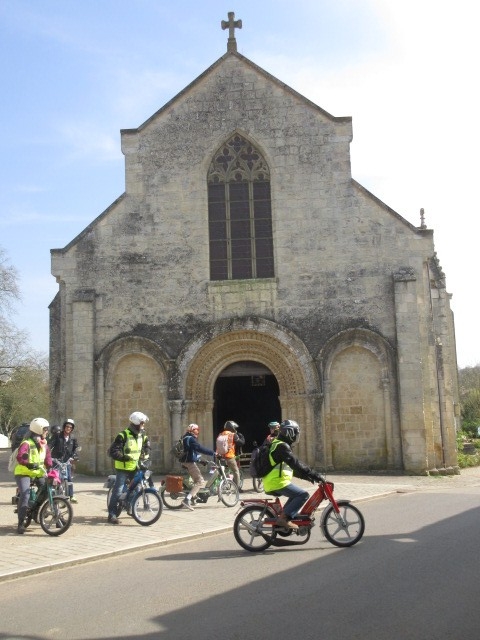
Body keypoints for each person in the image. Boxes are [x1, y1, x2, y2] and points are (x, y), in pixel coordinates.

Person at [262, 419, 322, 530]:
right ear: (289, 433)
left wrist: (307, 477)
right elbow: (296, 464)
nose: (296, 436)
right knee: (302, 495)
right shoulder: (281, 446)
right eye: (295, 433)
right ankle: (283, 519)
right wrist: (314, 474)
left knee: (296, 495)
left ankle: (285, 516)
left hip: (275, 481)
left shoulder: (278, 444)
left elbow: (291, 468)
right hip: (277, 482)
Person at [107, 411, 151, 524]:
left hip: (135, 467)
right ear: (136, 423)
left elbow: (147, 445)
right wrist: (124, 457)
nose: (143, 425)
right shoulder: (123, 435)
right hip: (123, 467)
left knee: (136, 489)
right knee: (118, 490)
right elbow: (113, 451)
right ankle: (111, 514)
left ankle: (130, 508)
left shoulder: (142, 435)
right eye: (142, 423)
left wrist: (146, 452)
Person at [13, 417, 52, 535]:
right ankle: (20, 523)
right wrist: (28, 463)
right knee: (25, 494)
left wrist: (51, 468)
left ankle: (36, 511)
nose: (47, 431)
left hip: (38, 472)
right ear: (38, 430)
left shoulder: (44, 444)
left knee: (47, 488)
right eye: (45, 429)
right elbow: (20, 456)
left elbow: (48, 458)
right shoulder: (27, 443)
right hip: (24, 472)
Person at [180, 423, 216, 510]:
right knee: (200, 481)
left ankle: (193, 498)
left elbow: (193, 453)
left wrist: (201, 460)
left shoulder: (186, 438)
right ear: (192, 430)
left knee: (195, 481)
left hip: (187, 461)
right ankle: (187, 500)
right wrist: (213, 453)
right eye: (196, 429)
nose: (198, 431)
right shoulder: (190, 439)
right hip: (189, 463)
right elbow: (199, 448)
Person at [49, 418, 80, 503]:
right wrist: (47, 453)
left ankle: (71, 495)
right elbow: (50, 445)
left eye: (70, 427)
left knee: (69, 478)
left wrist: (75, 456)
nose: (68, 428)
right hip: (56, 459)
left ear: (72, 428)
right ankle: (52, 494)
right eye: (67, 426)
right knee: (55, 477)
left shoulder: (73, 438)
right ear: (64, 427)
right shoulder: (57, 436)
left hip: (66, 460)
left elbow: (75, 449)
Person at [216, 420, 245, 489]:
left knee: (223, 472)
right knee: (236, 472)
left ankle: (222, 485)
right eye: (235, 428)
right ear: (232, 428)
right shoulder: (232, 435)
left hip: (220, 456)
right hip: (229, 456)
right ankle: (237, 489)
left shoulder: (220, 434)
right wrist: (242, 437)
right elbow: (241, 443)